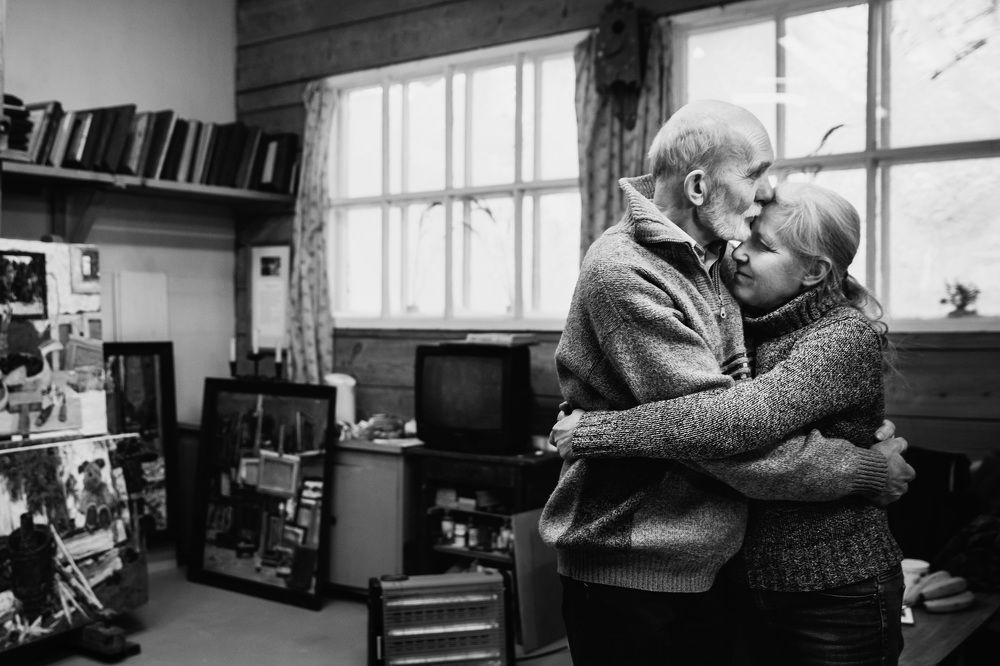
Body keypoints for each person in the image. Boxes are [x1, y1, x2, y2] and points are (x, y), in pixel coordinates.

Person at [537, 100, 914, 666]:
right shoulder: (626, 272)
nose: (767, 190)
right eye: (755, 173)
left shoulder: (714, 263)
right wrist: (863, 469)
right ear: (697, 187)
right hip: (635, 566)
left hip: (726, 569)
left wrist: (598, 431)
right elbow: (724, 435)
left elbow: (739, 416)